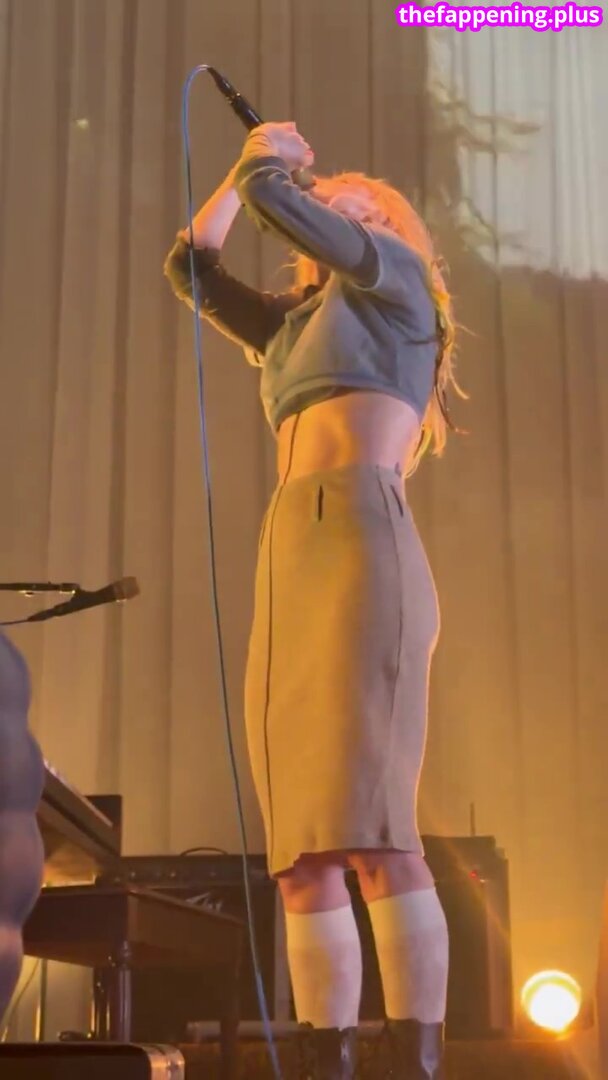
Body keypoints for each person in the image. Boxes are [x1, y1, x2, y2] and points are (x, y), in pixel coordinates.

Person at [164, 120, 462, 1080]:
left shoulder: (395, 279)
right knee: (301, 852)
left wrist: (275, 165)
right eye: (324, 195)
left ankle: (414, 1059)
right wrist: (244, 167)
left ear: (390, 223)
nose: (332, 199)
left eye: (351, 197)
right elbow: (190, 267)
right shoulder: (294, 326)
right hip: (289, 552)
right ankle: (322, 1063)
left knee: (375, 831)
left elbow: (274, 198)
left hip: (364, 543)